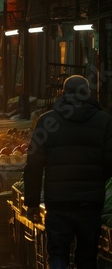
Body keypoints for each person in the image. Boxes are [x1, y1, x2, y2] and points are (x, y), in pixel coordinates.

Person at [23, 75, 112, 269]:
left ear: (62, 93)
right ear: (88, 93)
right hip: (90, 204)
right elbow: (109, 161)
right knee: (87, 257)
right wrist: (94, 179)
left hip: (58, 203)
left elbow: (34, 165)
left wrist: (31, 204)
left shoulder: (46, 121)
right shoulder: (105, 121)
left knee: (57, 254)